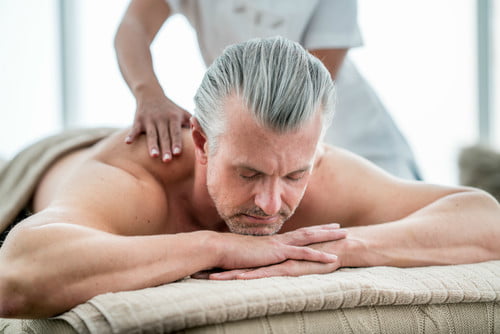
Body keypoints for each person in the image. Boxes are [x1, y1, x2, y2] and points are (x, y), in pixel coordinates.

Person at [0, 37, 499, 319]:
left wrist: (334, 251)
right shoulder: (132, 182)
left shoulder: (318, 168)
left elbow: (482, 218)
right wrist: (216, 247)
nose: (268, 203)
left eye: (294, 175)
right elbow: (17, 275)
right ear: (201, 143)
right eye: (248, 173)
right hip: (47, 162)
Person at [115, 0, 421, 179]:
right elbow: (133, 26)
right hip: (263, 135)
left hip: (357, 143)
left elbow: (308, 86)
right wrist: (149, 95)